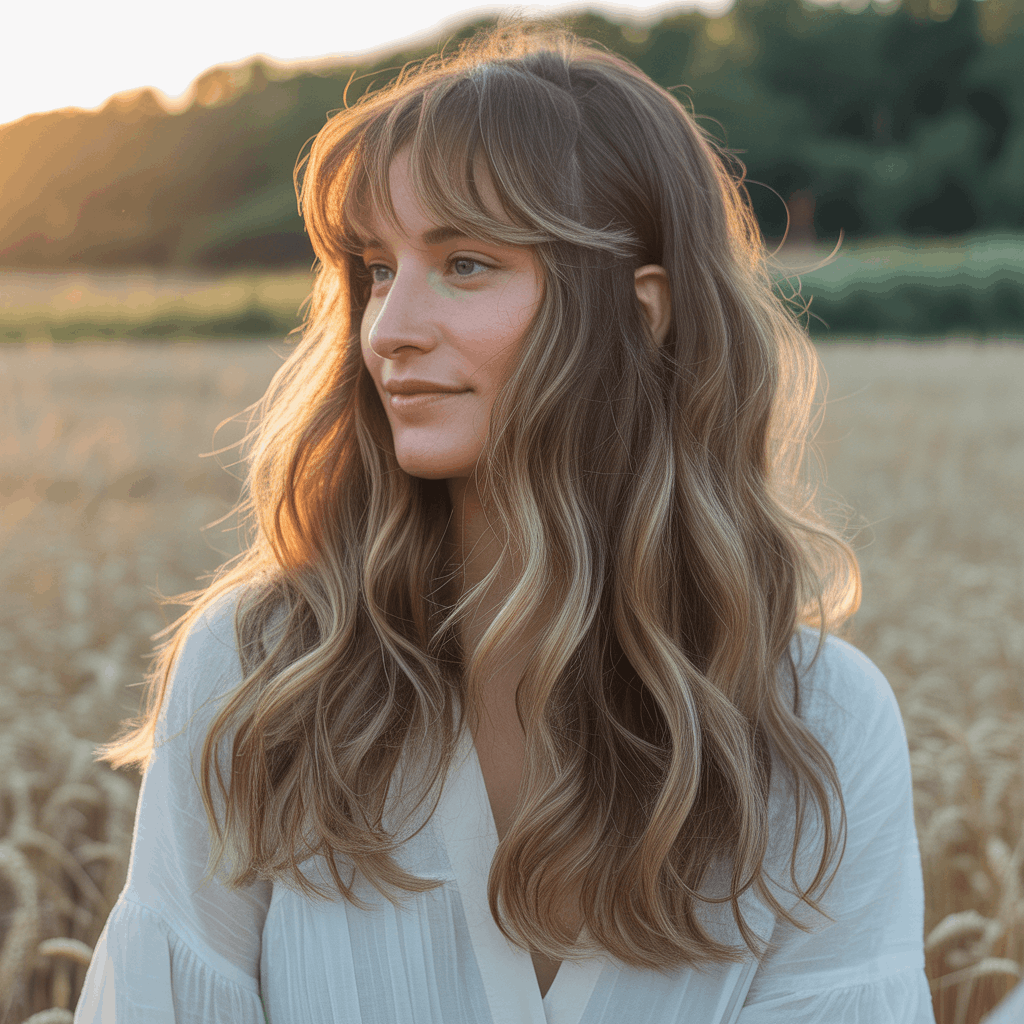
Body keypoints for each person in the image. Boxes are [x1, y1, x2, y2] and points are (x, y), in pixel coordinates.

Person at [75, 22, 934, 1024]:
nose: (389, 330)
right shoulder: (265, 669)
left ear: (640, 308)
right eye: (377, 270)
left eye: (467, 264)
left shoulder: (816, 729)